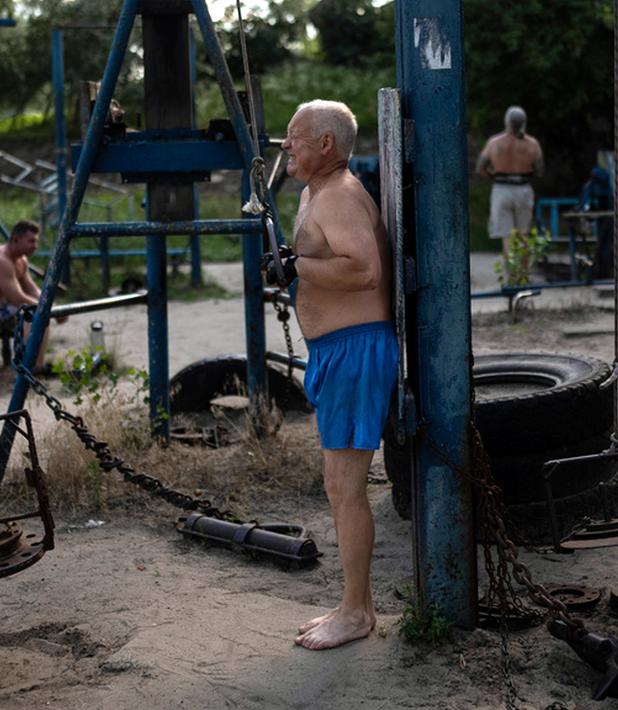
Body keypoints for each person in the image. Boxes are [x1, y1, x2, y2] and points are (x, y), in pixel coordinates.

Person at [265, 99, 398, 651]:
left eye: (295, 137)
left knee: (345, 487)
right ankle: (356, 604)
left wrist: (295, 266)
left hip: (355, 350)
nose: (286, 146)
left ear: (325, 144)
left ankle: (355, 614)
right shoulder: (313, 193)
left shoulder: (339, 195)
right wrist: (291, 267)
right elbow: (323, 263)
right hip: (336, 352)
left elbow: (364, 270)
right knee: (338, 485)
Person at [0, 218, 64, 370]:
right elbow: (16, 298)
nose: (34, 246)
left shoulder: (21, 260)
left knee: (37, 312)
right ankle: (30, 367)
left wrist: (52, 307)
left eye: (35, 242)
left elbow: (32, 290)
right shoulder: (0, 260)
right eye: (31, 241)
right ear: (16, 239)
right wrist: (47, 310)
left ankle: (37, 366)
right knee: (30, 315)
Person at [476, 106, 544, 283]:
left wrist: (493, 175)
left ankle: (511, 276)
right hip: (523, 188)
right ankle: (523, 275)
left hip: (502, 189)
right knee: (523, 234)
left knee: (507, 236)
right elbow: (540, 170)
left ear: (506, 121)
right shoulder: (532, 144)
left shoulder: (495, 143)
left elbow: (480, 168)